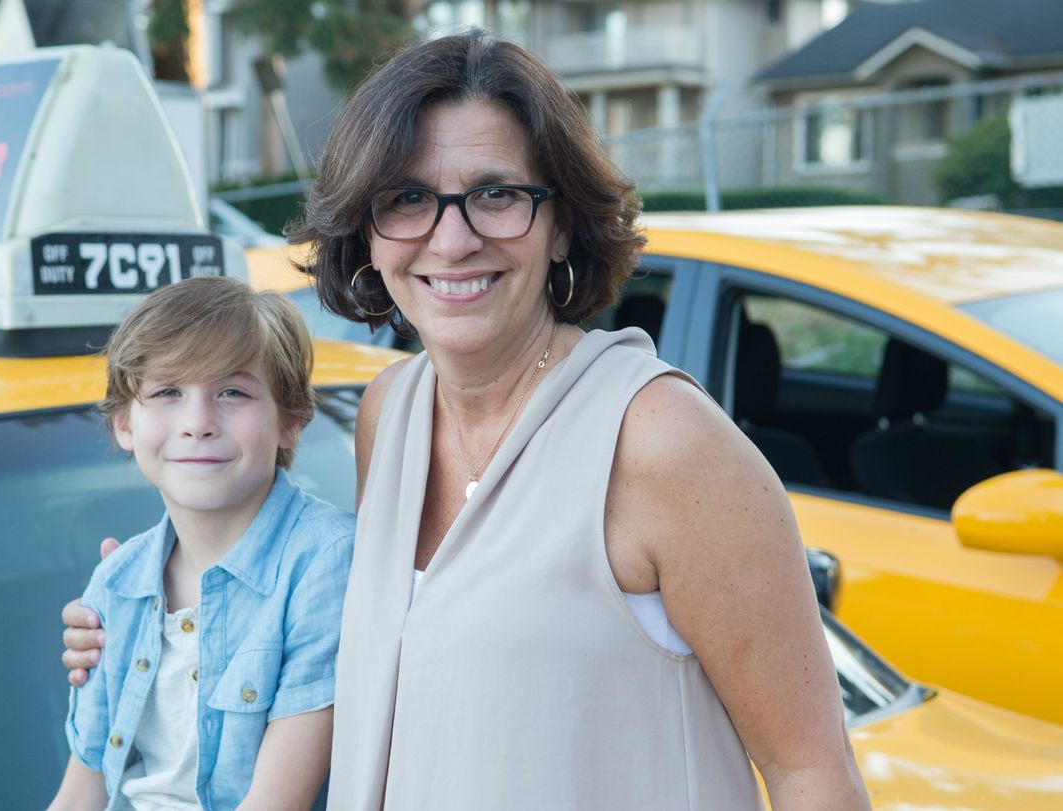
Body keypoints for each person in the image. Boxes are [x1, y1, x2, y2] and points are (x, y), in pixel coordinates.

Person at [65, 30, 869, 810]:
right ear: (369, 234)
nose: (452, 239)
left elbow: (810, 771)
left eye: (496, 194)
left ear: (561, 226)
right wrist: (150, 609)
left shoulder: (657, 439)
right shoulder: (390, 412)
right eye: (408, 198)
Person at [50, 277, 353, 811]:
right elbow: (80, 794)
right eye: (167, 392)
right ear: (124, 422)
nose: (197, 424)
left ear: (291, 421)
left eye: (232, 392)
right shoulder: (117, 581)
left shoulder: (325, 563)